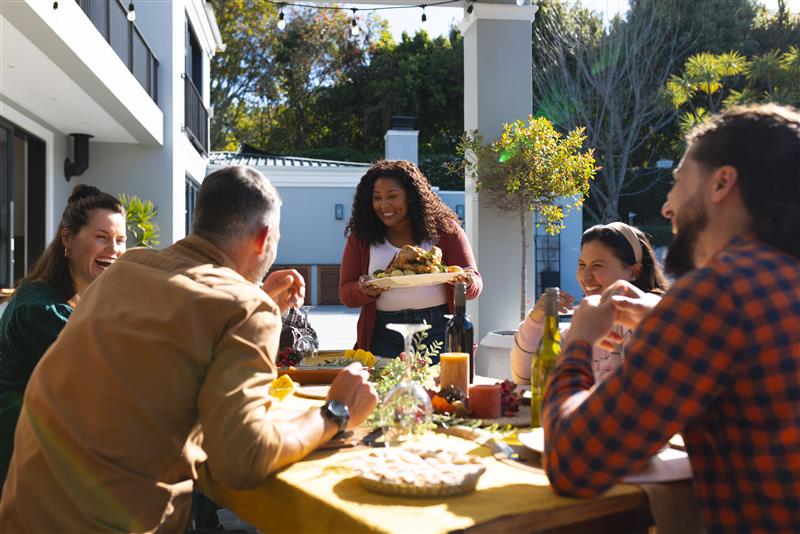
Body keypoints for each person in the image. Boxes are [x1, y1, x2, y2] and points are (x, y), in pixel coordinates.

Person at [0, 166, 378, 532]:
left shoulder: (128, 268)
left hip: (26, 508)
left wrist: (259, 306)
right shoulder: (244, 308)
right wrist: (336, 411)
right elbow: (243, 459)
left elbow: (167, 351)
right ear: (264, 238)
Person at [541, 104, 800, 533]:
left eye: (678, 181)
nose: (666, 207)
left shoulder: (720, 293)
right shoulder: (767, 284)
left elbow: (573, 463)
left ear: (721, 182)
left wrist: (579, 342)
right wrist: (666, 318)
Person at [0, 185, 126, 489]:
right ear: (67, 238)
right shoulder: (41, 310)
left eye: (120, 240)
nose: (113, 249)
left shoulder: (84, 298)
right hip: (22, 471)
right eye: (102, 237)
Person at [339, 160, 482, 360]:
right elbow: (346, 294)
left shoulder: (446, 230)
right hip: (384, 334)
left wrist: (466, 281)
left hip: (437, 330)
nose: (383, 205)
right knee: (384, 381)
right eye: (376, 198)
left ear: (412, 196)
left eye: (392, 196)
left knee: (440, 381)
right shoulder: (362, 237)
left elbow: (474, 283)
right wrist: (362, 290)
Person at [510, 222, 667, 383]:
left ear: (634, 271)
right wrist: (535, 320)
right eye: (582, 265)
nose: (585, 276)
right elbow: (526, 378)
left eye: (597, 265)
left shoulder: (649, 323)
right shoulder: (584, 325)